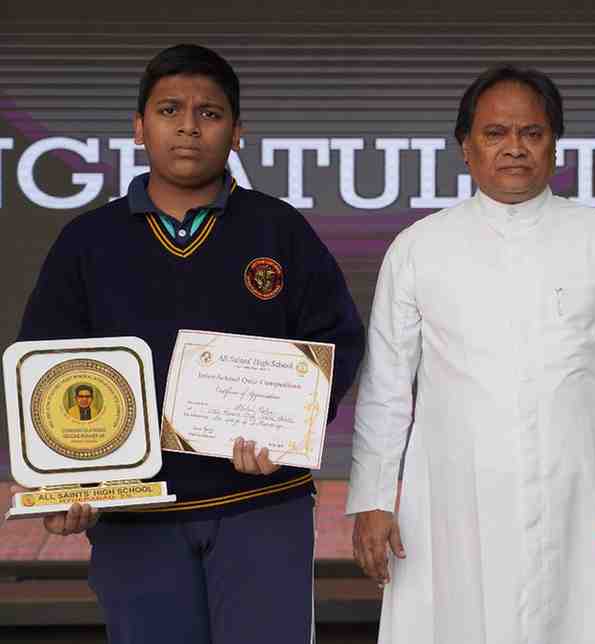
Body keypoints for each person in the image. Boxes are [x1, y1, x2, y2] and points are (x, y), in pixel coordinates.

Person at [17, 43, 365, 644]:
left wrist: (287, 434)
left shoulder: (278, 228)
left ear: (237, 132)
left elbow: (338, 336)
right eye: (169, 110)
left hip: (262, 504)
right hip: (135, 514)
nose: (188, 127)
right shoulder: (87, 241)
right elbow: (46, 366)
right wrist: (66, 480)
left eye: (209, 113)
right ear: (138, 127)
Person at [347, 64, 595, 644]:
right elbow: (386, 389)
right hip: (456, 497)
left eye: (532, 133)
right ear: (466, 147)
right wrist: (373, 499)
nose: (514, 147)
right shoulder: (418, 248)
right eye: (495, 133)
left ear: (555, 145)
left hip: (584, 490)